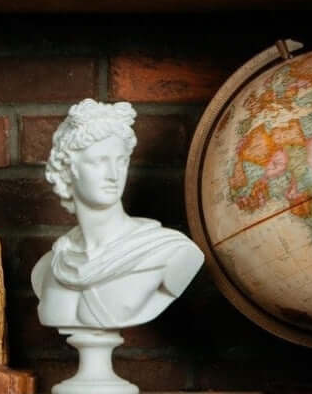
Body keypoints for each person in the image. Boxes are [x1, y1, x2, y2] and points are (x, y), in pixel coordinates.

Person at [32, 98, 203, 332]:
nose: (113, 175)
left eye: (121, 161)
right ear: (68, 169)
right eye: (99, 162)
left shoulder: (170, 251)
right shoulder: (51, 264)